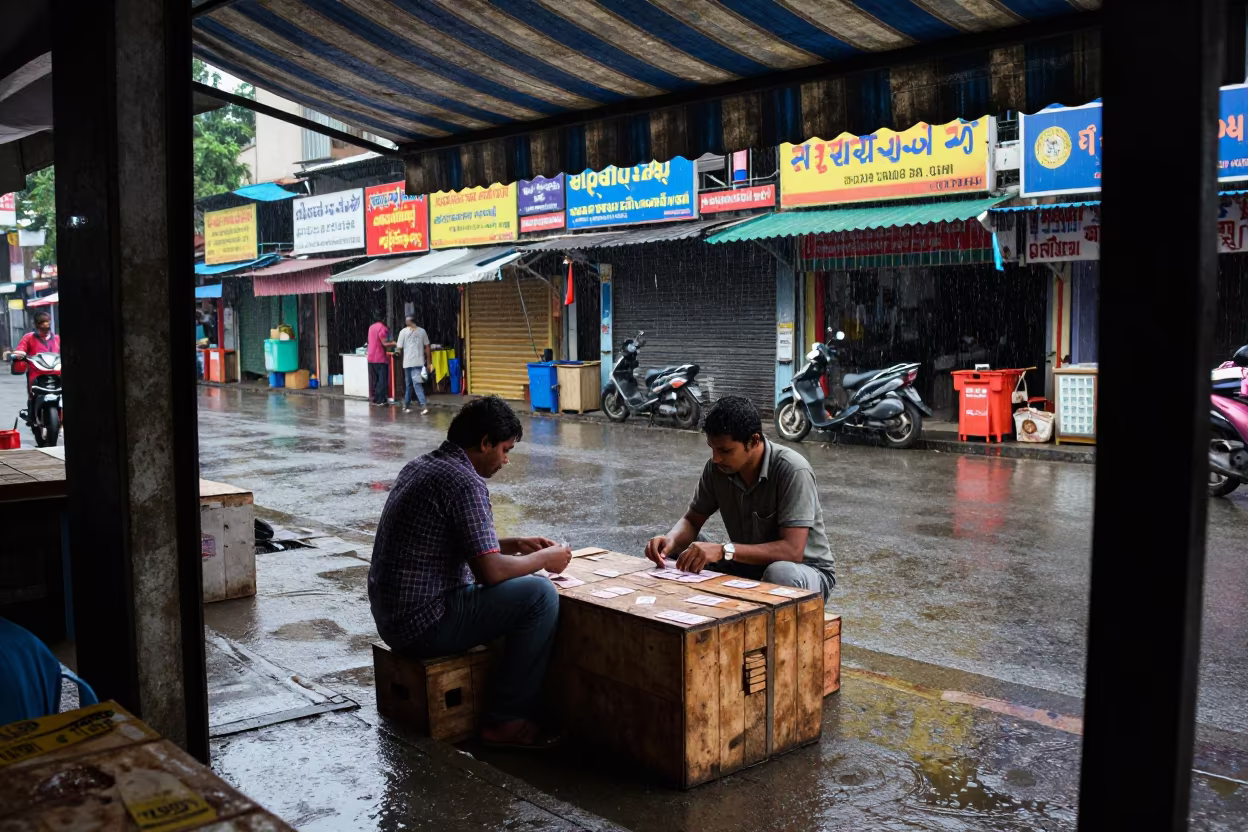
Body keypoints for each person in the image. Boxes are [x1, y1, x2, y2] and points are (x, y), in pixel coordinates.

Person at [368, 396, 569, 748]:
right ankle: (507, 721)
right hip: (424, 624)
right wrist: (545, 560)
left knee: (519, 585)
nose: (506, 460)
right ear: (485, 443)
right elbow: (490, 571)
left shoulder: (423, 466)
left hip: (392, 619)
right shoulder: (465, 482)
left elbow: (459, 541)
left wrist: (515, 543)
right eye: (505, 450)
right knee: (540, 595)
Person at [645, 395, 835, 599]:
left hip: (805, 572)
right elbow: (692, 519)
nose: (716, 458)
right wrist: (670, 541)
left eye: (725, 450)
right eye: (713, 449)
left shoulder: (792, 470)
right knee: (687, 550)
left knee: (780, 573)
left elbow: (792, 551)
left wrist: (724, 550)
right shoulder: (716, 468)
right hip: (747, 564)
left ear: (753, 440)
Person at [395, 315, 432, 415]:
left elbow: (399, 348)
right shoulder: (422, 331)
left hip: (408, 363)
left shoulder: (403, 332)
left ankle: (413, 406)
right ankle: (410, 406)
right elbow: (428, 347)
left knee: (410, 385)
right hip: (418, 362)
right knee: (416, 384)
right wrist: (429, 362)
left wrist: (399, 356)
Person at [366, 310, 394, 407]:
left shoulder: (371, 327)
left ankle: (375, 399)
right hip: (380, 358)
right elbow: (384, 343)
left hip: (371, 357)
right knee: (382, 380)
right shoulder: (382, 328)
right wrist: (395, 343)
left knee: (375, 380)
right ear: (383, 318)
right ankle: (381, 400)